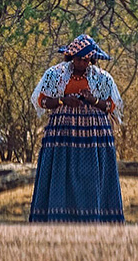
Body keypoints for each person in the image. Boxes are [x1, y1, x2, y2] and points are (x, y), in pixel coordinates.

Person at [28, 34, 125, 223]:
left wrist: (92, 100)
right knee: (60, 175)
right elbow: (42, 100)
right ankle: (57, 220)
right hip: (62, 136)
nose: (82, 62)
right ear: (70, 56)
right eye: (79, 58)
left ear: (92, 59)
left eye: (86, 59)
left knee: (93, 179)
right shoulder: (55, 74)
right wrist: (64, 100)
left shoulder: (102, 78)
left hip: (94, 138)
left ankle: (97, 221)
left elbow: (111, 106)